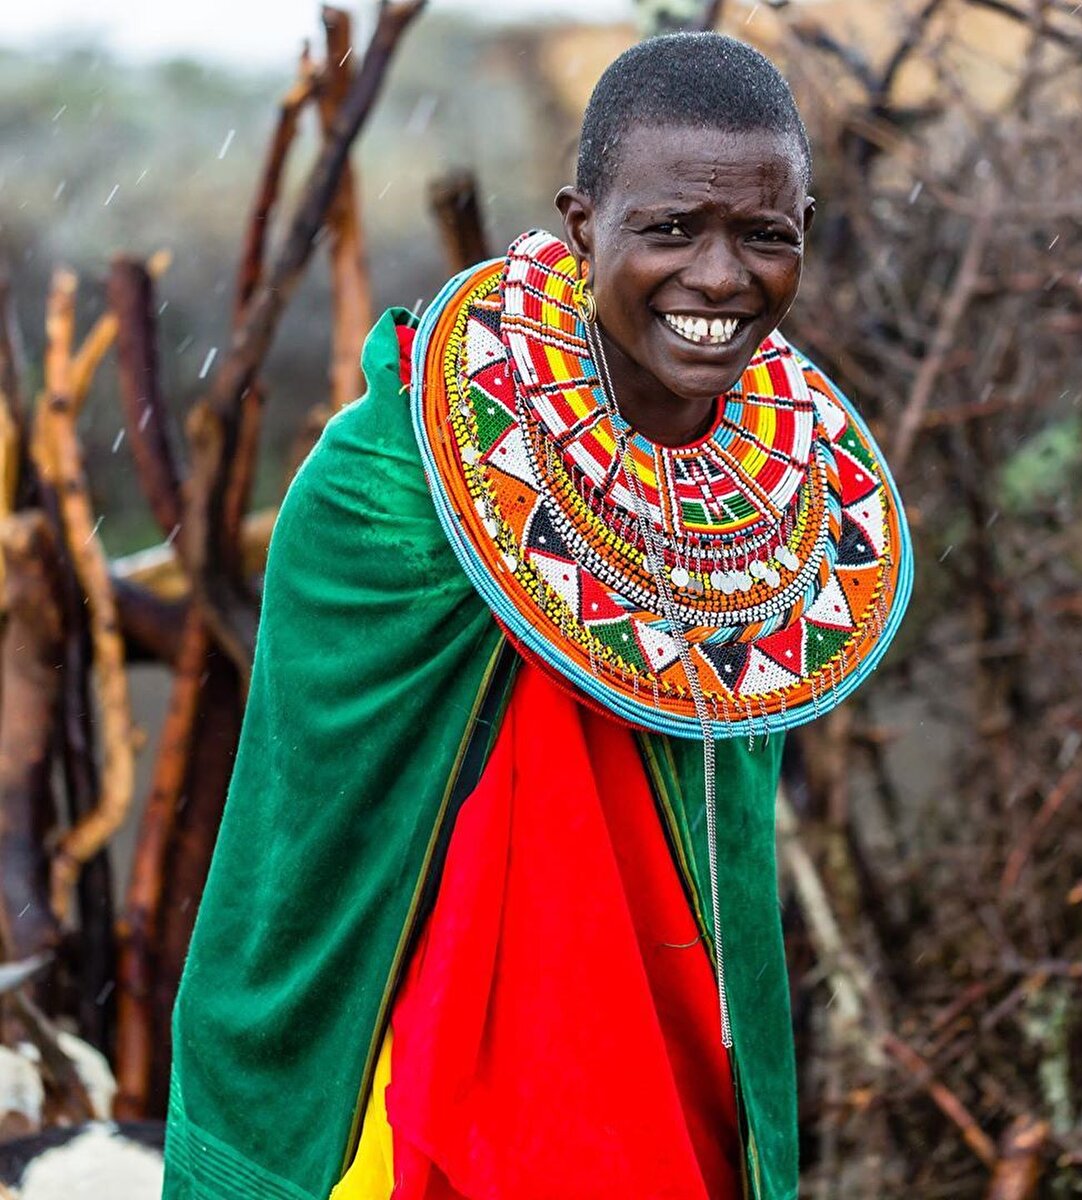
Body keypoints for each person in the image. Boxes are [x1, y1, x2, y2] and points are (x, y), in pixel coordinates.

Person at [162, 31, 912, 1200]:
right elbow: (306, 843)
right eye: (672, 228)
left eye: (766, 234)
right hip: (406, 1089)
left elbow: (716, 852)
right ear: (580, 225)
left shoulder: (785, 513)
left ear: (806, 231)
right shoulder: (388, 485)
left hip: (669, 1082)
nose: (721, 278)